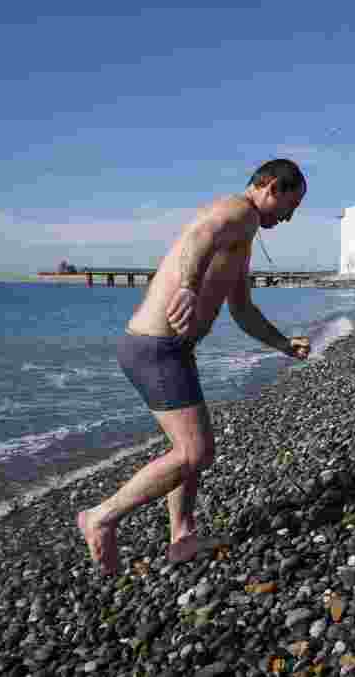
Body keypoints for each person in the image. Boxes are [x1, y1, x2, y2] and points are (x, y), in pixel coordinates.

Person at [77, 159, 310, 575]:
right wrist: (186, 286)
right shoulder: (236, 212)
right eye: (290, 207)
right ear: (271, 187)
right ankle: (100, 517)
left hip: (169, 350)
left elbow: (241, 309)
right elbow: (197, 236)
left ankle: (182, 537)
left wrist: (281, 342)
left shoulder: (243, 234)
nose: (290, 218)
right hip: (157, 349)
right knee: (195, 452)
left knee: (187, 449)